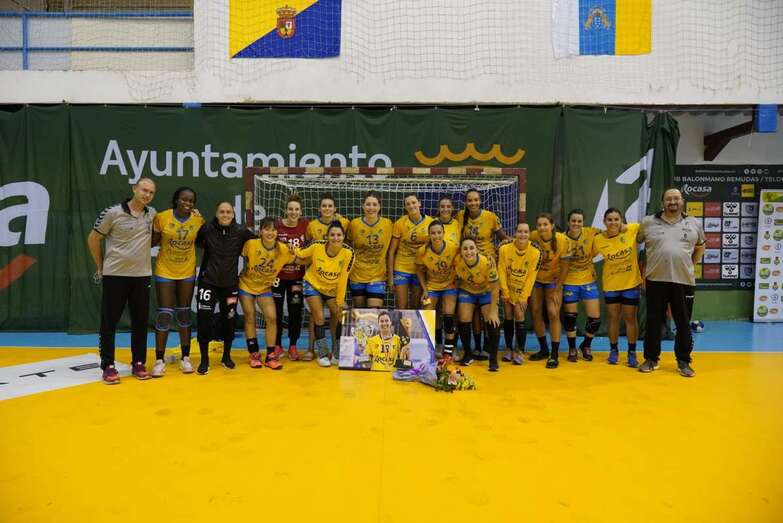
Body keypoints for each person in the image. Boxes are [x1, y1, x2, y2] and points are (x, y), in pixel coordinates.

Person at [87, 178, 157, 384]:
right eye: (144, 190)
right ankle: (108, 365)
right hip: (115, 276)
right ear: (134, 189)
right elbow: (93, 239)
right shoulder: (113, 213)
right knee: (109, 322)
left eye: (151, 192)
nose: (147, 195)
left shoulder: (151, 214)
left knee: (141, 322)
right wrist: (100, 267)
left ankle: (138, 363)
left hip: (142, 276)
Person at [637, 188, 705, 377]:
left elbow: (700, 247)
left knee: (683, 322)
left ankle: (683, 361)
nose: (672, 202)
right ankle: (651, 359)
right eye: (668, 199)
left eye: (676, 198)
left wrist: (689, 265)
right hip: (655, 280)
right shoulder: (648, 222)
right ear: (662, 202)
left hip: (683, 281)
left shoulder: (694, 223)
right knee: (653, 321)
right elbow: (635, 242)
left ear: (682, 201)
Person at [194, 202, 255, 375]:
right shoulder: (206, 228)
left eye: (229, 212)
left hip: (230, 285)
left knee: (229, 319)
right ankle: (204, 360)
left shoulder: (241, 231)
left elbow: (259, 245)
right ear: (217, 213)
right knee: (203, 320)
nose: (225, 214)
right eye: (222, 211)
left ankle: (226, 357)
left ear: (233, 214)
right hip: (208, 282)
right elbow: (197, 242)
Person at [150, 186, 204, 377]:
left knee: (184, 313)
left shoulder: (198, 220)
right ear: (176, 200)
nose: (188, 203)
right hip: (165, 270)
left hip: (187, 271)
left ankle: (186, 358)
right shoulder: (162, 218)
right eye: (184, 200)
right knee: (164, 314)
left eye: (191, 201)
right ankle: (158, 360)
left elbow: (204, 241)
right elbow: (152, 241)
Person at [457, 189, 509, 359]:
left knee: (488, 313)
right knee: (469, 313)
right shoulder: (460, 217)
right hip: (468, 264)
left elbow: (502, 238)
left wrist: (511, 247)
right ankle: (472, 350)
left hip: (487, 264)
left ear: (480, 201)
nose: (473, 203)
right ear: (466, 202)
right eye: (470, 200)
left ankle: (488, 349)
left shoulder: (490, 217)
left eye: (476, 200)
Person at [294, 221, 355, 367]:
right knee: (319, 317)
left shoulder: (349, 253)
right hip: (312, 285)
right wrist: (291, 249)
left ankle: (336, 353)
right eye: (332, 235)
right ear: (327, 236)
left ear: (344, 236)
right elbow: (299, 253)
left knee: (342, 316)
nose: (335, 238)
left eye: (339, 235)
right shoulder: (316, 246)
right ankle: (322, 353)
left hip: (332, 289)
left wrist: (340, 301)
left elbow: (343, 279)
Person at [239, 218, 295, 370]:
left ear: (277, 233)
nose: (270, 232)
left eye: (273, 230)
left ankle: (270, 355)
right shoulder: (251, 244)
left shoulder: (283, 249)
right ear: (260, 231)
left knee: (272, 317)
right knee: (250, 315)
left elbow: (299, 259)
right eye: (266, 229)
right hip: (247, 285)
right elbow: (232, 252)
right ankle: (254, 353)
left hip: (265, 288)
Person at [591, 208, 642, 368]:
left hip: (631, 284)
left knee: (630, 319)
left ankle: (632, 352)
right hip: (611, 285)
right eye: (610, 220)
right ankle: (613, 350)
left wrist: (627, 226)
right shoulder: (598, 239)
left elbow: (647, 226)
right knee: (613, 318)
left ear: (621, 220)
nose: (613, 223)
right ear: (604, 222)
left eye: (616, 219)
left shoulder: (632, 229)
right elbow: (587, 256)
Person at [304, 193, 350, 359]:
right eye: (324, 206)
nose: (327, 209)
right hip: (315, 278)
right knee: (316, 316)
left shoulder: (345, 223)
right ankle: (312, 350)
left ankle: (337, 351)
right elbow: (306, 249)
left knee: (338, 312)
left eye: (330, 206)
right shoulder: (312, 226)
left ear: (335, 209)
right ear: (319, 208)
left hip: (334, 280)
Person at [529, 213, 571, 369]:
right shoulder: (533, 236)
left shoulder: (562, 240)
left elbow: (566, 267)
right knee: (535, 311)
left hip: (554, 281)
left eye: (545, 224)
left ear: (552, 225)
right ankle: (544, 349)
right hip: (537, 280)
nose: (541, 228)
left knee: (553, 312)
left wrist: (558, 288)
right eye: (539, 225)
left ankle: (554, 353)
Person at [415, 220, 459, 365]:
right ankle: (431, 347)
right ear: (429, 235)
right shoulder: (423, 251)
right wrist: (425, 290)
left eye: (439, 232)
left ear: (444, 233)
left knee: (448, 315)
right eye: (433, 233)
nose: (436, 236)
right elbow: (419, 271)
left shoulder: (453, 247)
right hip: (432, 287)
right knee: (426, 312)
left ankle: (448, 351)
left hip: (449, 286)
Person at [454, 237, 501, 371]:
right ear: (461, 252)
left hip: (486, 292)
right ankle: (468, 354)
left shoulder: (487, 263)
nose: (468, 252)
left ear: (477, 249)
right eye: (465, 249)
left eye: (471, 248)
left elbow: (495, 288)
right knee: (463, 318)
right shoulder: (457, 261)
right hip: (468, 291)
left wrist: (493, 311)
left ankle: (493, 358)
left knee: (492, 320)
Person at [497, 223, 541, 365]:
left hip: (522, 290)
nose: (522, 234)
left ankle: (520, 351)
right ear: (515, 233)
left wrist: (524, 297)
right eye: (520, 231)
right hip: (507, 289)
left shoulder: (535, 252)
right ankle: (509, 349)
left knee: (519, 314)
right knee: (508, 315)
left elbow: (531, 277)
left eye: (526, 232)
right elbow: (502, 271)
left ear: (529, 234)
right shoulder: (504, 249)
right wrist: (505, 292)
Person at [561, 209, 601, 362]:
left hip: (588, 280)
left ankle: (585, 344)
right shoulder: (562, 239)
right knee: (570, 318)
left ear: (583, 223)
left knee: (595, 319)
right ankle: (572, 348)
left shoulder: (591, 233)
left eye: (579, 221)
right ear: (568, 222)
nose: (576, 224)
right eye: (573, 221)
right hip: (569, 281)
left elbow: (611, 231)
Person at [273, 194, 309, 361]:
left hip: (297, 276)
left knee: (295, 312)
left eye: (296, 209)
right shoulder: (277, 226)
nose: (293, 212)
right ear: (285, 210)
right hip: (278, 276)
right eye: (290, 209)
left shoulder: (305, 225)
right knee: (277, 312)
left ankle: (293, 346)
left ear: (301, 211)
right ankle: (277, 345)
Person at [347, 190, 393, 309]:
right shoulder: (354, 224)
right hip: (357, 275)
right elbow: (347, 248)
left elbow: (391, 251)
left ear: (379, 206)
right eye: (368, 204)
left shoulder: (388, 224)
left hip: (377, 276)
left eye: (374, 204)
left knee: (373, 313)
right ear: (363, 205)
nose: (371, 208)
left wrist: (391, 277)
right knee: (359, 314)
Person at [388, 193, 433, 309]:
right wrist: (391, 277)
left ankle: (412, 328)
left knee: (416, 305)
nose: (411, 206)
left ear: (419, 203)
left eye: (413, 202)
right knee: (401, 305)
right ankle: (400, 327)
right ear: (405, 207)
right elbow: (391, 251)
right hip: (401, 267)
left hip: (420, 269)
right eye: (408, 204)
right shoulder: (399, 223)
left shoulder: (430, 223)